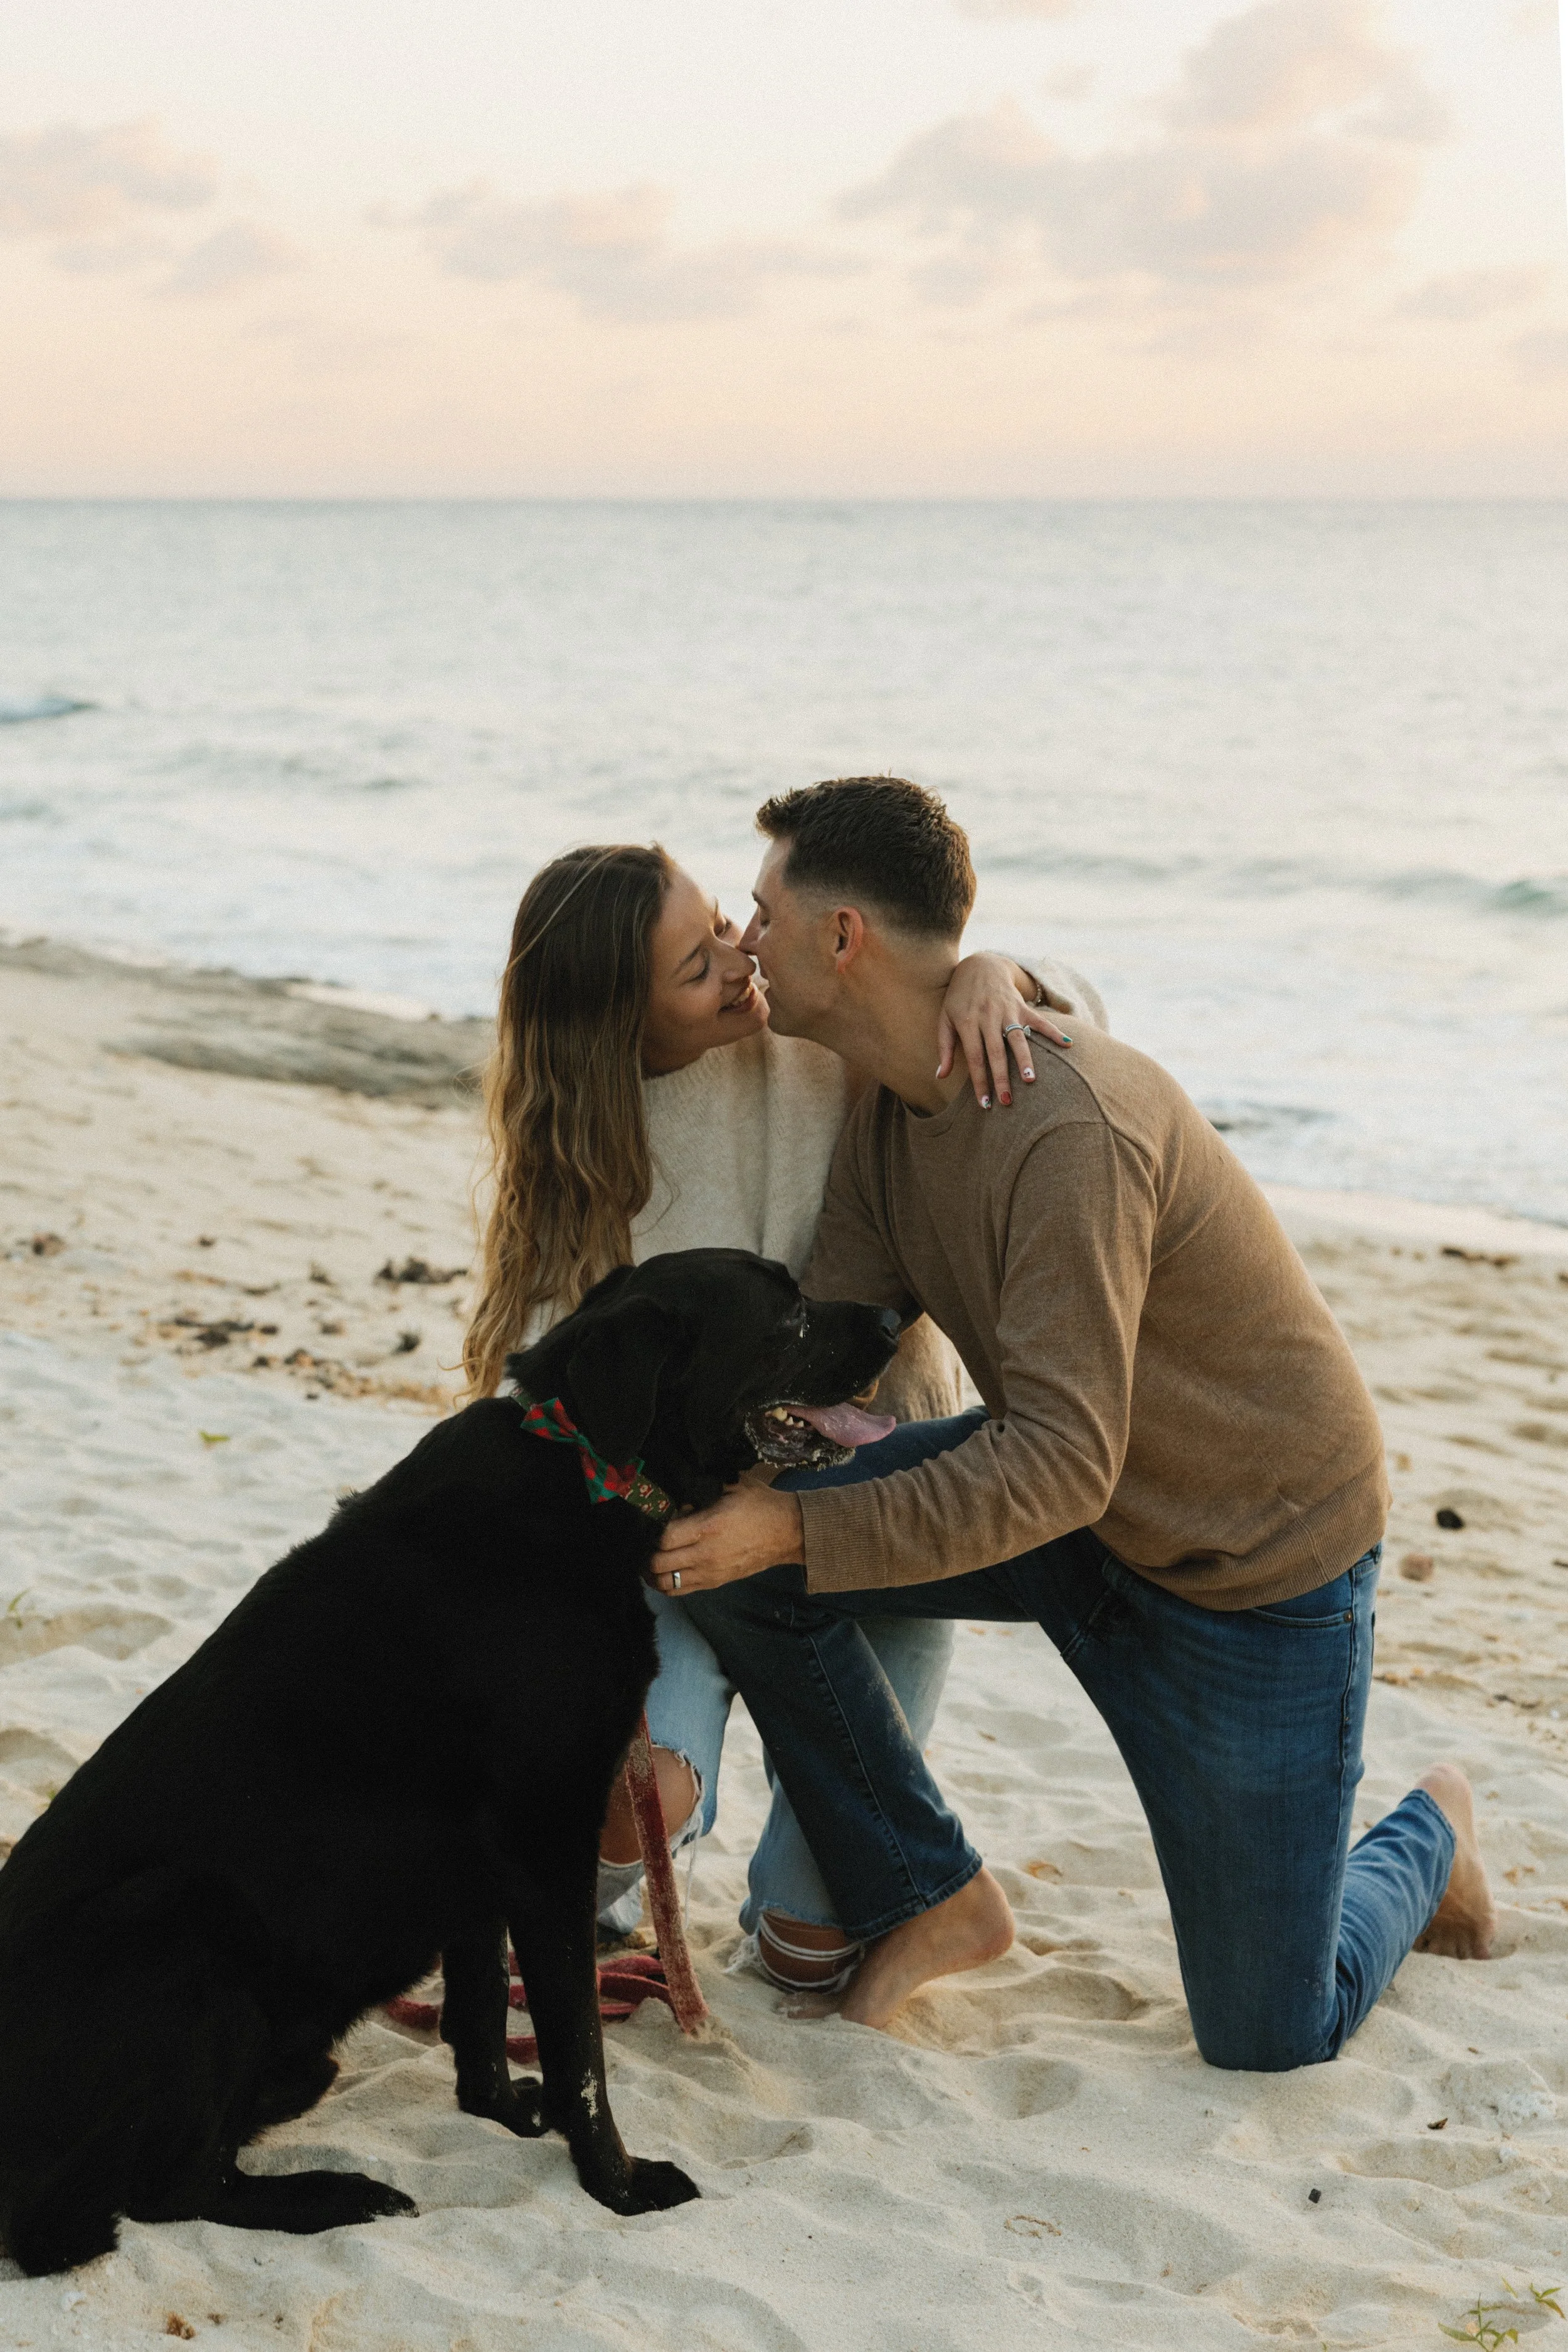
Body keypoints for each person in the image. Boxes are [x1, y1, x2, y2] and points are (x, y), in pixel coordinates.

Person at [653, 776, 1496, 2065]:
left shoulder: (1064, 1129)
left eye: (763, 911)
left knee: (1269, 2033)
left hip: (1250, 1572)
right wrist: (719, 1477)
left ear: (843, 940)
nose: (745, 935)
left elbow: (1055, 1460)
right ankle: (924, 1890)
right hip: (1082, 1522)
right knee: (728, 1546)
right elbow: (833, 1357)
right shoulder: (888, 1112)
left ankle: (1429, 1832)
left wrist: (799, 1530)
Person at [461, 840, 1105, 1991]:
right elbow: (553, 1431)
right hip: (686, 1544)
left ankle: (806, 1903)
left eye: (723, 920)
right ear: (617, 1021)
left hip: (876, 1492)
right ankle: (599, 1904)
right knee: (636, 1798)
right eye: (695, 963)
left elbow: (1054, 1033)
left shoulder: (817, 1031)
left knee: (810, 1949)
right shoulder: (577, 1177)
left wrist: (994, 971)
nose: (739, 960)